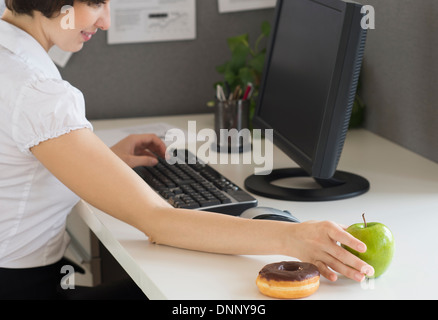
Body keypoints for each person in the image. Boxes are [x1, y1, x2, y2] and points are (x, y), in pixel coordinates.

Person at [0, 0, 374, 300]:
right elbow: (158, 222)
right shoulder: (37, 91)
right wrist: (290, 237)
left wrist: (102, 159)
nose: (106, 20)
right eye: (96, 2)